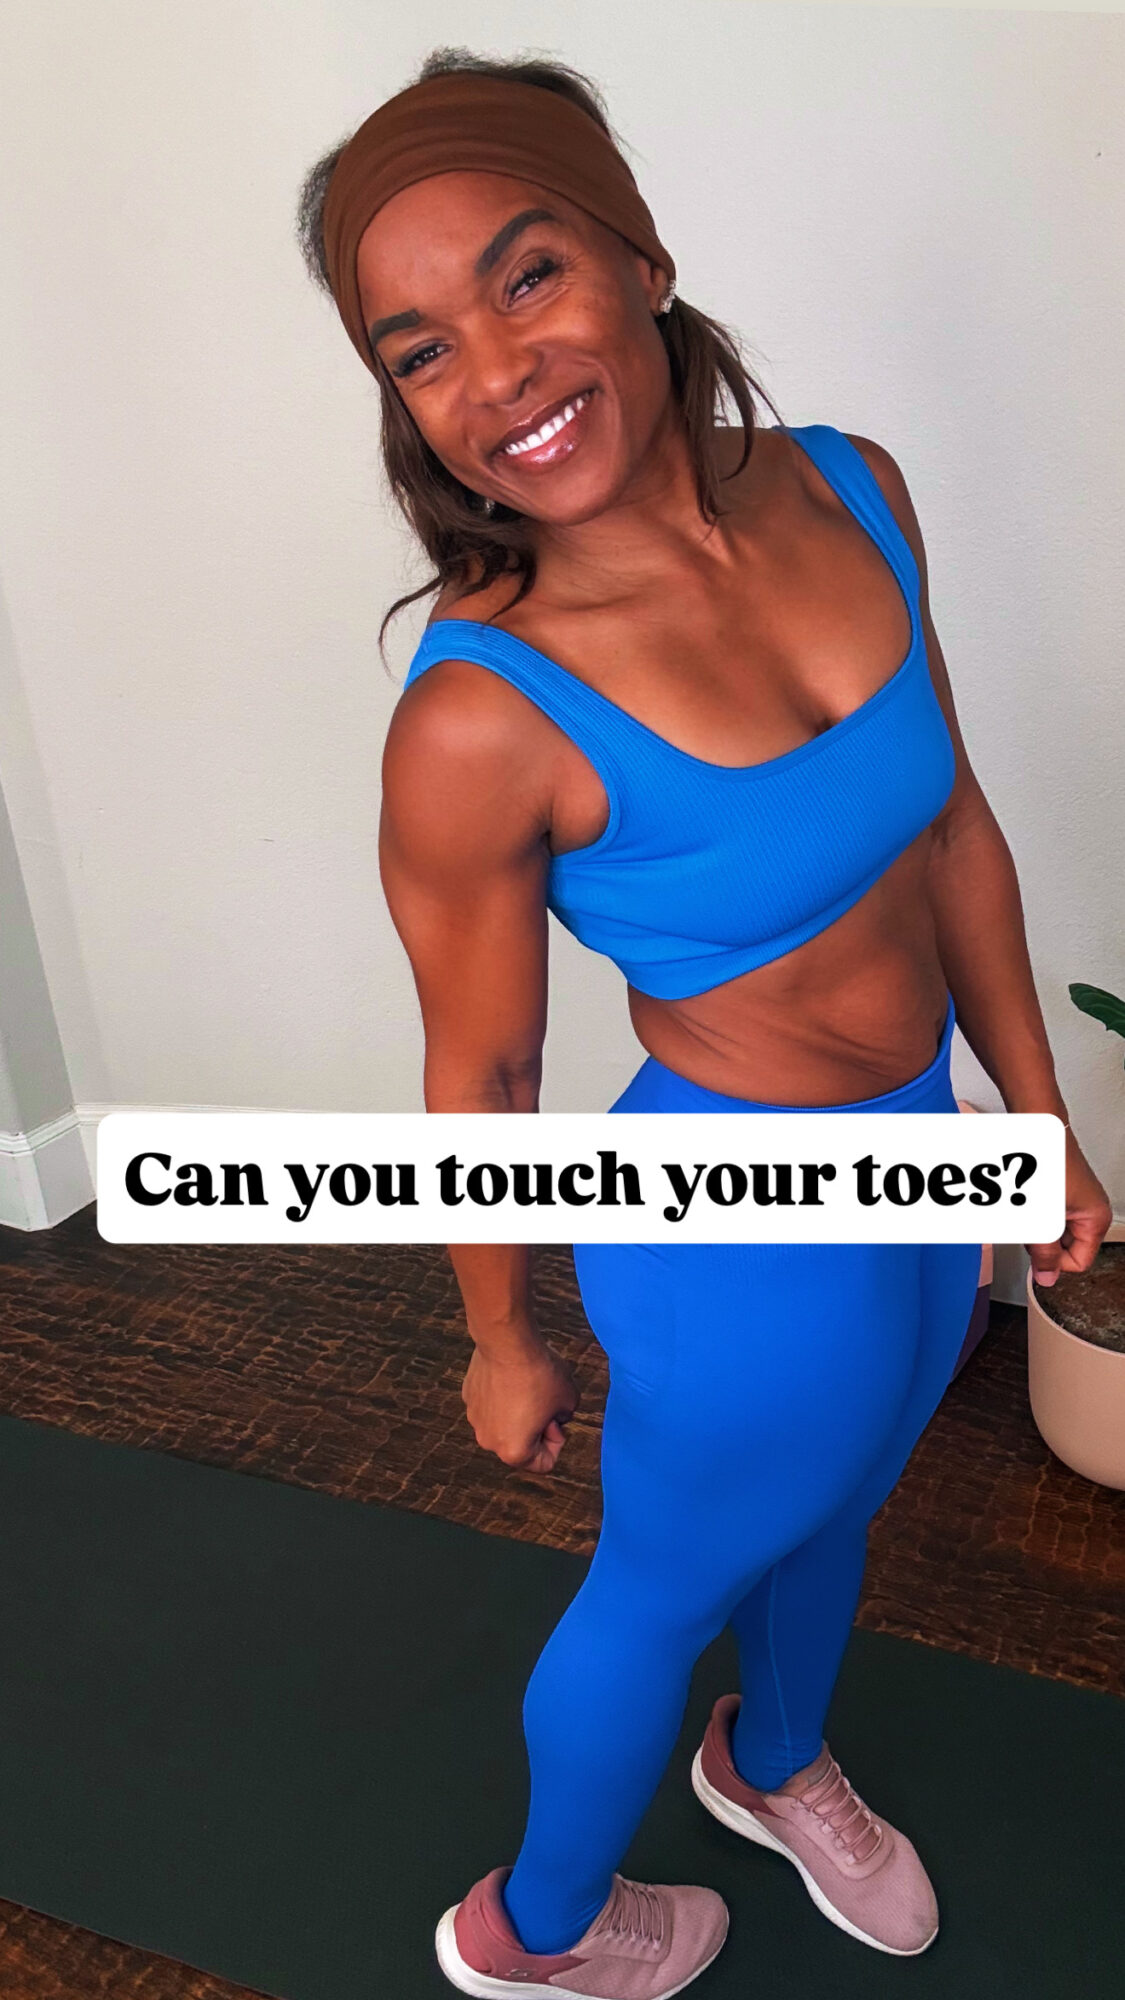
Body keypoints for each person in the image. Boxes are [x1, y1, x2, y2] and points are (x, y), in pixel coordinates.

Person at [297, 48, 1111, 2000]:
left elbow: (952, 829)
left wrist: (1032, 1120)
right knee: (657, 1587)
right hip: (733, 1220)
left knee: (843, 1491)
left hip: (918, 1148)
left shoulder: (852, 487)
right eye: (420, 350)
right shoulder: (480, 715)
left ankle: (770, 1761)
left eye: (527, 274)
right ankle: (535, 1931)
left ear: (640, 258)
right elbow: (483, 1071)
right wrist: (496, 1332)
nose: (494, 372)